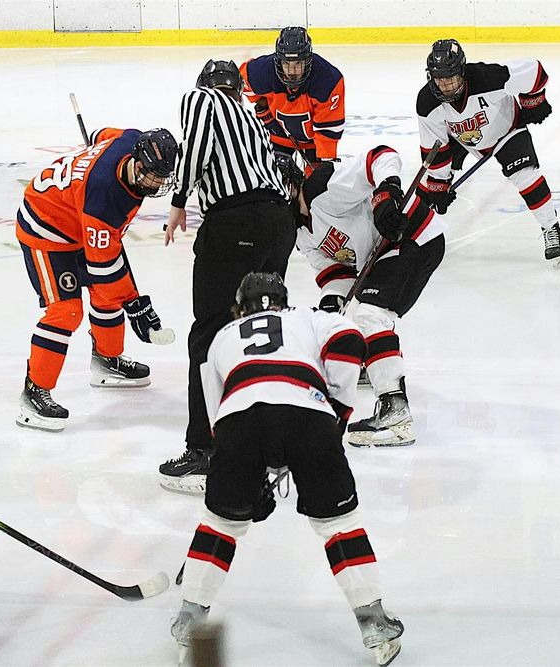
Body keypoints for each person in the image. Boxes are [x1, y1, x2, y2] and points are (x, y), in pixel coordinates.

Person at [171, 273, 404, 667]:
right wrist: (339, 410)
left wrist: (248, 475)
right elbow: (350, 341)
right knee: (339, 525)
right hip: (306, 413)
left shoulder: (222, 336)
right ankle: (374, 624)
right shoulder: (307, 318)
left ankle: (189, 625)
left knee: (220, 526)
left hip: (238, 417)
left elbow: (217, 418)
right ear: (284, 301)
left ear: (239, 307)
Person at [161, 60, 296, 493]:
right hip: (278, 224)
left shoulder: (202, 99)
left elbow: (197, 147)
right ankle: (274, 444)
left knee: (209, 336)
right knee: (263, 330)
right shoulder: (252, 117)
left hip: (236, 223)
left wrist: (179, 198)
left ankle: (205, 451)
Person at [277, 145, 441, 447]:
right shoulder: (298, 232)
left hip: (414, 235)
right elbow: (335, 272)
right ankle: (378, 367)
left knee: (370, 313)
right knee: (363, 312)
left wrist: (387, 194)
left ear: (292, 184)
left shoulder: (323, 187)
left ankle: (396, 411)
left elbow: (381, 156)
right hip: (386, 252)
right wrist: (329, 308)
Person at [16, 127, 178, 432]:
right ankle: (33, 392)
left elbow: (100, 133)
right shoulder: (105, 195)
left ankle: (106, 359)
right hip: (45, 227)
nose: (157, 184)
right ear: (137, 162)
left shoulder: (130, 138)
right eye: (152, 175)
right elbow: (103, 269)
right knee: (66, 311)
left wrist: (131, 301)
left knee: (107, 295)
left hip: (76, 218)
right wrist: (135, 304)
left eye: (162, 176)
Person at [415, 39, 560, 267]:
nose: (445, 85)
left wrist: (533, 102)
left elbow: (535, 71)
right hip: (461, 139)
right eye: (439, 79)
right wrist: (439, 184)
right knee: (427, 189)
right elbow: (435, 148)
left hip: (506, 131)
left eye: (450, 78)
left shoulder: (488, 78)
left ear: (462, 72)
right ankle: (412, 238)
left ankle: (551, 227)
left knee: (525, 177)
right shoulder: (427, 102)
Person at [240, 26, 346, 167]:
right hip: (278, 136)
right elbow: (238, 83)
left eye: (298, 64)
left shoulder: (327, 80)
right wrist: (262, 105)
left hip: (313, 143)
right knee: (273, 180)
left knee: (317, 185)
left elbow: (328, 131)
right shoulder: (263, 71)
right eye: (286, 64)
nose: (292, 71)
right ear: (278, 61)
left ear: (308, 61)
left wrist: (326, 161)